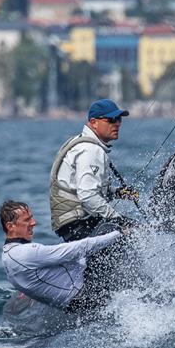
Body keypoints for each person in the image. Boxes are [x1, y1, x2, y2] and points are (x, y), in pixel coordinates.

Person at [0, 200, 121, 314]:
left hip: (76, 301)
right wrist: (119, 233)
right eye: (27, 220)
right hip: (87, 295)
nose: (34, 222)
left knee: (96, 242)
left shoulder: (8, 255)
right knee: (109, 228)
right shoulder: (24, 253)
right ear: (10, 226)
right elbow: (79, 248)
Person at [50, 98, 139, 242]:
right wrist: (118, 219)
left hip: (72, 227)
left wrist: (116, 192)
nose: (117, 124)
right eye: (111, 120)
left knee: (134, 229)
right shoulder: (90, 150)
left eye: (119, 120)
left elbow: (83, 188)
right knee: (135, 232)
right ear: (93, 122)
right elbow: (87, 196)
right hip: (79, 226)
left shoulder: (79, 142)